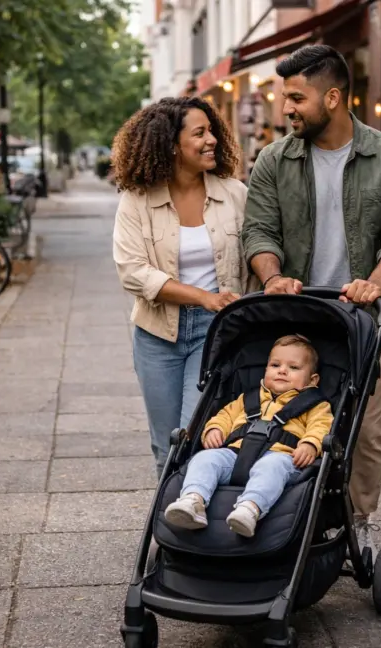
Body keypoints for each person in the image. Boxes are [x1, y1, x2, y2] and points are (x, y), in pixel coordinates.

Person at [242, 45, 381, 561]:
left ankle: (358, 521)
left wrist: (377, 279)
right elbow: (258, 230)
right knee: (283, 423)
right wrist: (272, 276)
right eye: (285, 98)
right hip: (295, 323)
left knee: (365, 433)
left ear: (334, 97)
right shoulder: (275, 161)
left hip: (367, 323)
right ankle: (279, 513)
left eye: (296, 98)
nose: (286, 109)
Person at [112, 97, 249, 477]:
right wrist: (202, 297)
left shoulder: (233, 194)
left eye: (212, 131)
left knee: (193, 434)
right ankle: (169, 529)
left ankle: (193, 520)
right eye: (199, 133)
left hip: (215, 332)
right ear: (171, 144)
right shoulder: (137, 200)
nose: (212, 141)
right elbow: (132, 271)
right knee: (164, 443)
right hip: (157, 333)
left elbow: (256, 254)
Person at [163, 334, 332, 537]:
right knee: (205, 459)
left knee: (271, 467)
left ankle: (250, 508)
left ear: (312, 380)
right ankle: (193, 500)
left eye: (294, 368)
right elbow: (224, 416)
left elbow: (321, 427)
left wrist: (311, 444)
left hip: (284, 459)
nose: (282, 371)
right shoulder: (248, 399)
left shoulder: (315, 405)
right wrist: (214, 429)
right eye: (275, 365)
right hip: (236, 455)